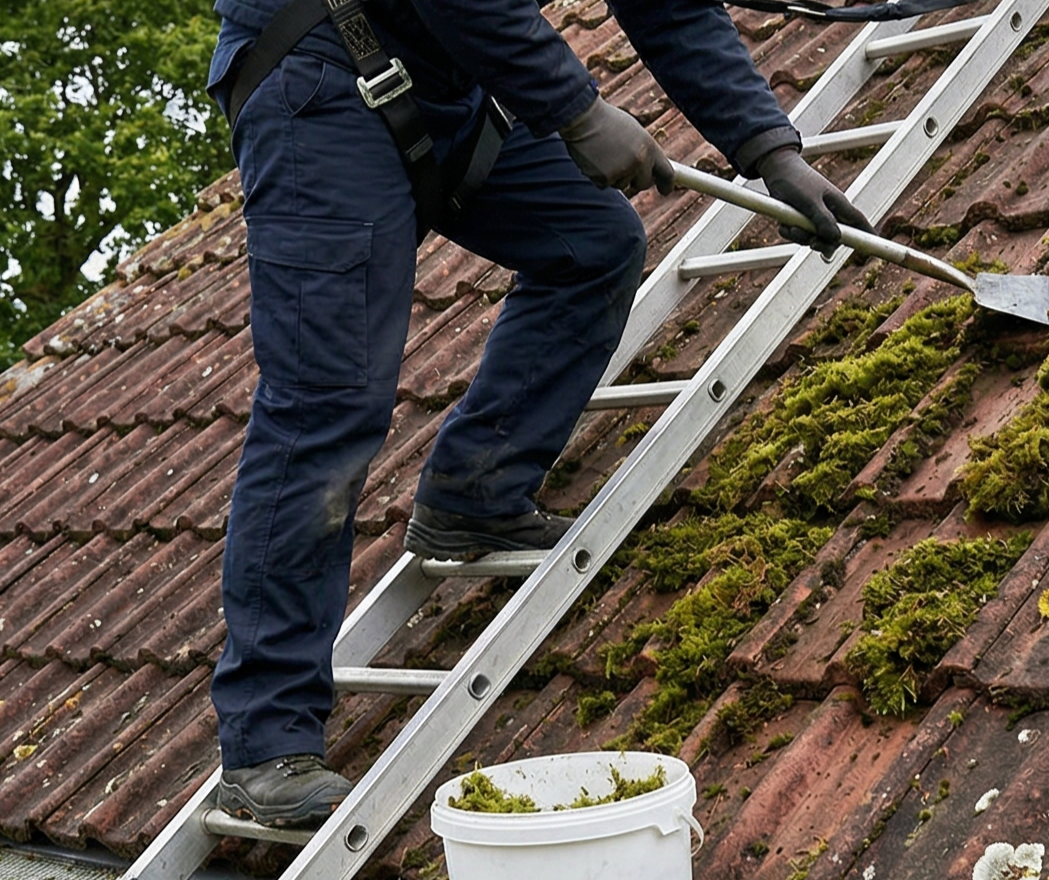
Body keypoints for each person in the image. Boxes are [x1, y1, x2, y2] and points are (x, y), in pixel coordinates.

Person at [202, 0, 874, 829]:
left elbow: (677, 13)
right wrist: (580, 111)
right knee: (327, 401)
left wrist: (772, 152)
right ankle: (265, 743)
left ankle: (474, 496)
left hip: (439, 78)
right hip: (316, 73)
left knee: (592, 243)